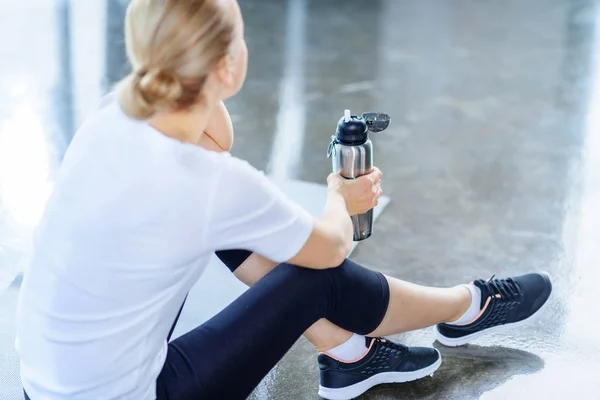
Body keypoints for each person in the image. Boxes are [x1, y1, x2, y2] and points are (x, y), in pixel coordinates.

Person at [15, 0, 553, 399]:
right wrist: (339, 196)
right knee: (316, 278)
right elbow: (330, 250)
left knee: (236, 228)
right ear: (226, 65)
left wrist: (206, 84)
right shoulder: (208, 184)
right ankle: (470, 304)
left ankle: (350, 354)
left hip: (43, 383)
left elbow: (215, 140)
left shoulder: (114, 115)